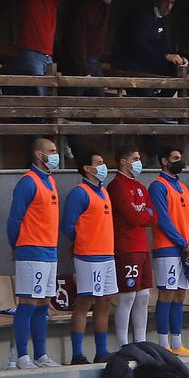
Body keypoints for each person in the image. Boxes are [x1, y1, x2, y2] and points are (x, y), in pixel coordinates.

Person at [5, 137, 62, 370]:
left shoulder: (51, 181)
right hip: (31, 249)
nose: (56, 154)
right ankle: (22, 356)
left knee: (44, 302)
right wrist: (16, 246)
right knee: (28, 301)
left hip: (50, 250)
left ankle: (41, 354)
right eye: (51, 151)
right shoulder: (28, 182)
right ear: (39, 154)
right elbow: (14, 219)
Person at [62, 152, 116, 365]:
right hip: (89, 256)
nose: (103, 166)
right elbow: (68, 225)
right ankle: (77, 354)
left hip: (107, 254)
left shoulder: (103, 191)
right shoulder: (79, 193)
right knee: (85, 301)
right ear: (87, 168)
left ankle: (101, 351)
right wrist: (82, 241)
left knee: (105, 301)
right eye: (100, 163)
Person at [147, 147, 189, 356]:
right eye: (175, 158)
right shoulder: (158, 186)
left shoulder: (183, 187)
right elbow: (163, 219)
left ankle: (177, 342)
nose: (180, 161)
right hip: (167, 248)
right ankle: (163, 342)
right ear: (164, 161)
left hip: (183, 248)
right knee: (166, 294)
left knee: (179, 295)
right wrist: (182, 242)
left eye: (180, 157)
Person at [107, 146, 155, 350]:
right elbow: (133, 215)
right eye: (135, 158)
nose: (138, 162)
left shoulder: (141, 187)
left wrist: (143, 215)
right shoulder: (117, 186)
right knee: (128, 295)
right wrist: (143, 214)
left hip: (142, 246)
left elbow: (154, 216)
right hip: (126, 247)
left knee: (144, 295)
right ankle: (124, 343)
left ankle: (141, 341)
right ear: (123, 162)